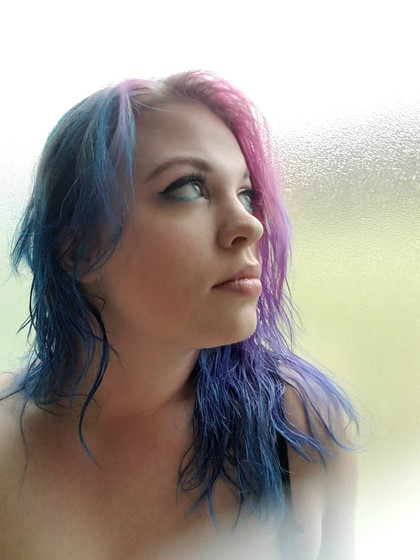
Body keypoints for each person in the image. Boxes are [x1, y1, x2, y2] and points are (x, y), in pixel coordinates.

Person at [0, 70, 359, 559]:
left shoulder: (300, 432)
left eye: (246, 194)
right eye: (189, 188)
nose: (249, 225)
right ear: (79, 248)